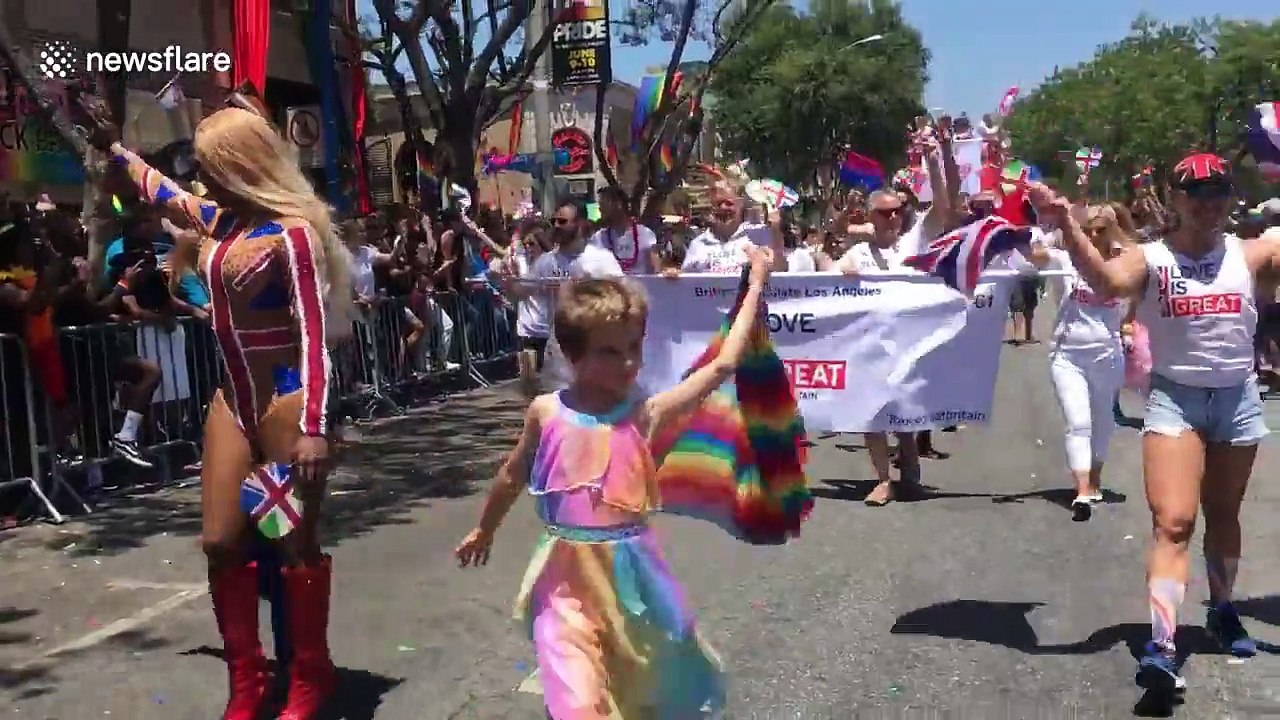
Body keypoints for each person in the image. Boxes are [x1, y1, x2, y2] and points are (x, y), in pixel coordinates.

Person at [85, 92, 353, 720]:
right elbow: (156, 189)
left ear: (239, 163)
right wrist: (113, 146)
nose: (200, 177)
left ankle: (311, 675)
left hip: (287, 400)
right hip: (233, 400)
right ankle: (248, 683)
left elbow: (313, 335)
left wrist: (313, 426)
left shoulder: (292, 236)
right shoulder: (219, 221)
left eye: (210, 163)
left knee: (293, 543)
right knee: (219, 541)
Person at [454, 247, 774, 718]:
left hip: (631, 577)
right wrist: (484, 528)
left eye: (634, 348)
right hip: (564, 579)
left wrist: (757, 285)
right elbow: (511, 475)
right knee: (576, 700)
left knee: (644, 685)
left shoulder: (646, 415)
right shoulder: (546, 412)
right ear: (571, 354)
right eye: (609, 352)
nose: (628, 363)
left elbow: (724, 364)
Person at [1032, 153, 1268, 701]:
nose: (1208, 205)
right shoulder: (1151, 257)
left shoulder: (1255, 253)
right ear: (1176, 199)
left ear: (1231, 199)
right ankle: (1162, 648)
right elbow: (1108, 282)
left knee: (1225, 514)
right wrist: (1067, 222)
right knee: (1175, 520)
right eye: (1195, 195)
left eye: (1218, 194)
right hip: (1174, 402)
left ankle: (1223, 610)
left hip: (1238, 400)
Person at [1025, 204, 1135, 521]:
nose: (1094, 236)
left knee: (1103, 420)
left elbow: (1142, 293)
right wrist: (1047, 227)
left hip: (1107, 354)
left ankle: (1095, 477)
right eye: (1088, 230)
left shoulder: (1124, 265)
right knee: (1079, 422)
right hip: (1066, 354)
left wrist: (1128, 324)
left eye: (1101, 229)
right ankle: (1082, 490)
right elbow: (1033, 254)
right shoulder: (1064, 260)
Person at [590, 185, 659, 274]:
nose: (600, 209)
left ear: (619, 204)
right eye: (600, 205)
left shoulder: (645, 233)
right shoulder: (598, 238)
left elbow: (656, 267)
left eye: (603, 205)